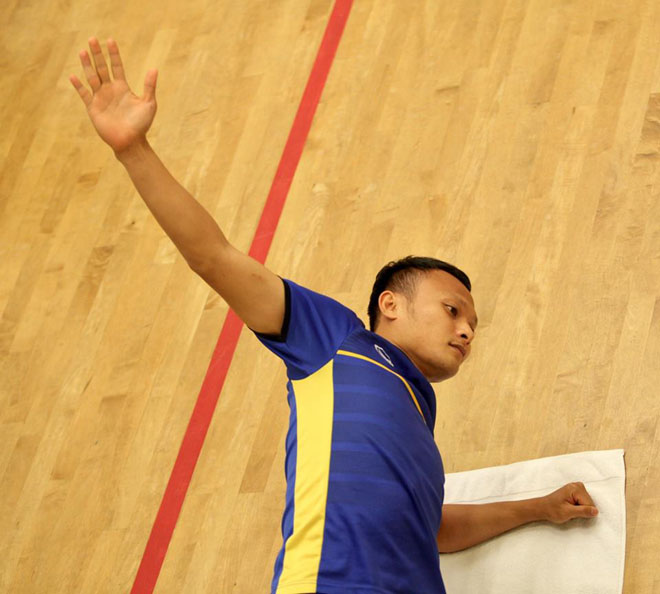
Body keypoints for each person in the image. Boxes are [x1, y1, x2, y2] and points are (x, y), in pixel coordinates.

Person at [70, 37, 600, 594]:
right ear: (390, 305)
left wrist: (538, 508)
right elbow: (213, 256)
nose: (467, 330)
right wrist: (134, 150)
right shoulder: (334, 339)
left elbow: (434, 531)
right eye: (453, 310)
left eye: (472, 325)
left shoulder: (419, 413)